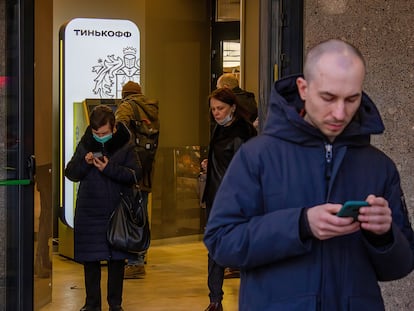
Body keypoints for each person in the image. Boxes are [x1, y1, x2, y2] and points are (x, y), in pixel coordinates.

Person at [204, 39, 414, 310]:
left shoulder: (379, 166)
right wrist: (300, 225)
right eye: (328, 97)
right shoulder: (256, 156)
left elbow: (401, 265)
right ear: (303, 88)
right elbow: (221, 242)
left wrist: (384, 235)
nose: (340, 113)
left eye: (352, 99)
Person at [65, 105, 142, 311]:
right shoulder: (86, 143)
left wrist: (109, 168)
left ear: (114, 128)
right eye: (96, 133)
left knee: (116, 261)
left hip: (117, 212)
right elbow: (71, 173)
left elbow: (135, 174)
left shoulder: (126, 145)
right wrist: (85, 161)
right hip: (89, 211)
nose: (100, 137)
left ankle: (115, 305)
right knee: (90, 260)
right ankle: (92, 305)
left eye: (104, 133)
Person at [202, 88, 257, 311]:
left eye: (220, 108)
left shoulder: (243, 132)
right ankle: (215, 300)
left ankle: (250, 299)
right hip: (216, 196)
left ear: (232, 107)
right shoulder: (219, 127)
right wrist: (209, 162)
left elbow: (246, 166)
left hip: (236, 199)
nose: (216, 112)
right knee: (214, 248)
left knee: (243, 249)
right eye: (213, 109)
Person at [115, 81, 160, 279]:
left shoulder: (126, 107)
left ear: (125, 94)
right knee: (140, 212)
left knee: (130, 213)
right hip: (146, 169)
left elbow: (118, 134)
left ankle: (135, 262)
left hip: (129, 169)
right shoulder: (151, 109)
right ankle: (140, 254)